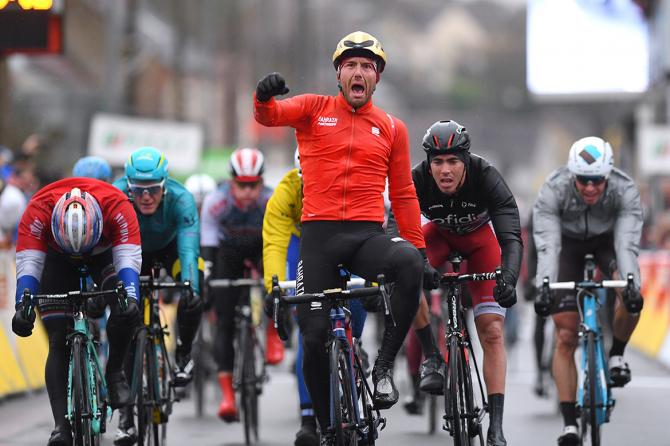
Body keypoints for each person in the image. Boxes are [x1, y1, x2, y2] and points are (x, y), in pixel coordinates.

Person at [254, 30, 439, 443]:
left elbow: (405, 194)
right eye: (351, 65)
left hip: (366, 238)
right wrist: (263, 97)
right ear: (339, 75)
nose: (359, 72)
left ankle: (385, 367)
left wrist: (420, 250)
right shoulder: (313, 109)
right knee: (315, 337)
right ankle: (322, 426)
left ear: (377, 79)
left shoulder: (392, 127)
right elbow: (269, 116)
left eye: (367, 67)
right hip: (318, 240)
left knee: (408, 263)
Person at [387, 119, 521, 445]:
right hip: (438, 239)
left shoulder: (486, 176)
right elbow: (395, 231)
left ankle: (496, 425)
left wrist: (509, 276)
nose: (445, 170)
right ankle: (432, 355)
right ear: (428, 163)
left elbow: (511, 236)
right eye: (438, 162)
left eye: (453, 161)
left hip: (480, 244)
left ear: (466, 160)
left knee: (490, 329)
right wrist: (419, 264)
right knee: (405, 277)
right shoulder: (416, 178)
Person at [11, 178, 141, 446]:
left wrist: (130, 298)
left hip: (101, 253)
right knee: (58, 339)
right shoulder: (37, 211)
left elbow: (128, 259)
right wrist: (22, 308)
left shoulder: (117, 206)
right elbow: (29, 264)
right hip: (56, 257)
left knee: (125, 309)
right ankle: (61, 427)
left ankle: (115, 372)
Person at [533, 136, 644, 446]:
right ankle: (569, 425)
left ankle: (617, 355)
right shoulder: (553, 189)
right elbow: (548, 245)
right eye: (584, 180)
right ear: (573, 175)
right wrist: (543, 284)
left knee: (632, 294)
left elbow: (626, 245)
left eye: (597, 181)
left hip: (608, 242)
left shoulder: (625, 190)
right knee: (565, 336)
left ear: (607, 176)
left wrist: (631, 284)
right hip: (566, 246)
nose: (591, 188)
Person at [112, 146, 204, 445]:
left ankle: (184, 352)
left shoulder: (182, 199)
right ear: (128, 187)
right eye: (139, 190)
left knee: (194, 290)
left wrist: (190, 285)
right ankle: (126, 417)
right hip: (132, 253)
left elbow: (189, 251)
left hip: (170, 250)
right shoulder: (115, 196)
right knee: (127, 320)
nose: (147, 197)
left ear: (164, 186)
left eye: (153, 189)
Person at [201, 147, 274, 422]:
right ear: (232, 181)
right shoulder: (216, 202)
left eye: (253, 185)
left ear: (262, 181)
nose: (247, 192)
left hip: (259, 248)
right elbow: (207, 242)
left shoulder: (271, 199)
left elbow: (278, 241)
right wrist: (207, 278)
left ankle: (273, 335)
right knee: (225, 323)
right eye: (241, 185)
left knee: (276, 285)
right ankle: (228, 396)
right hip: (227, 254)